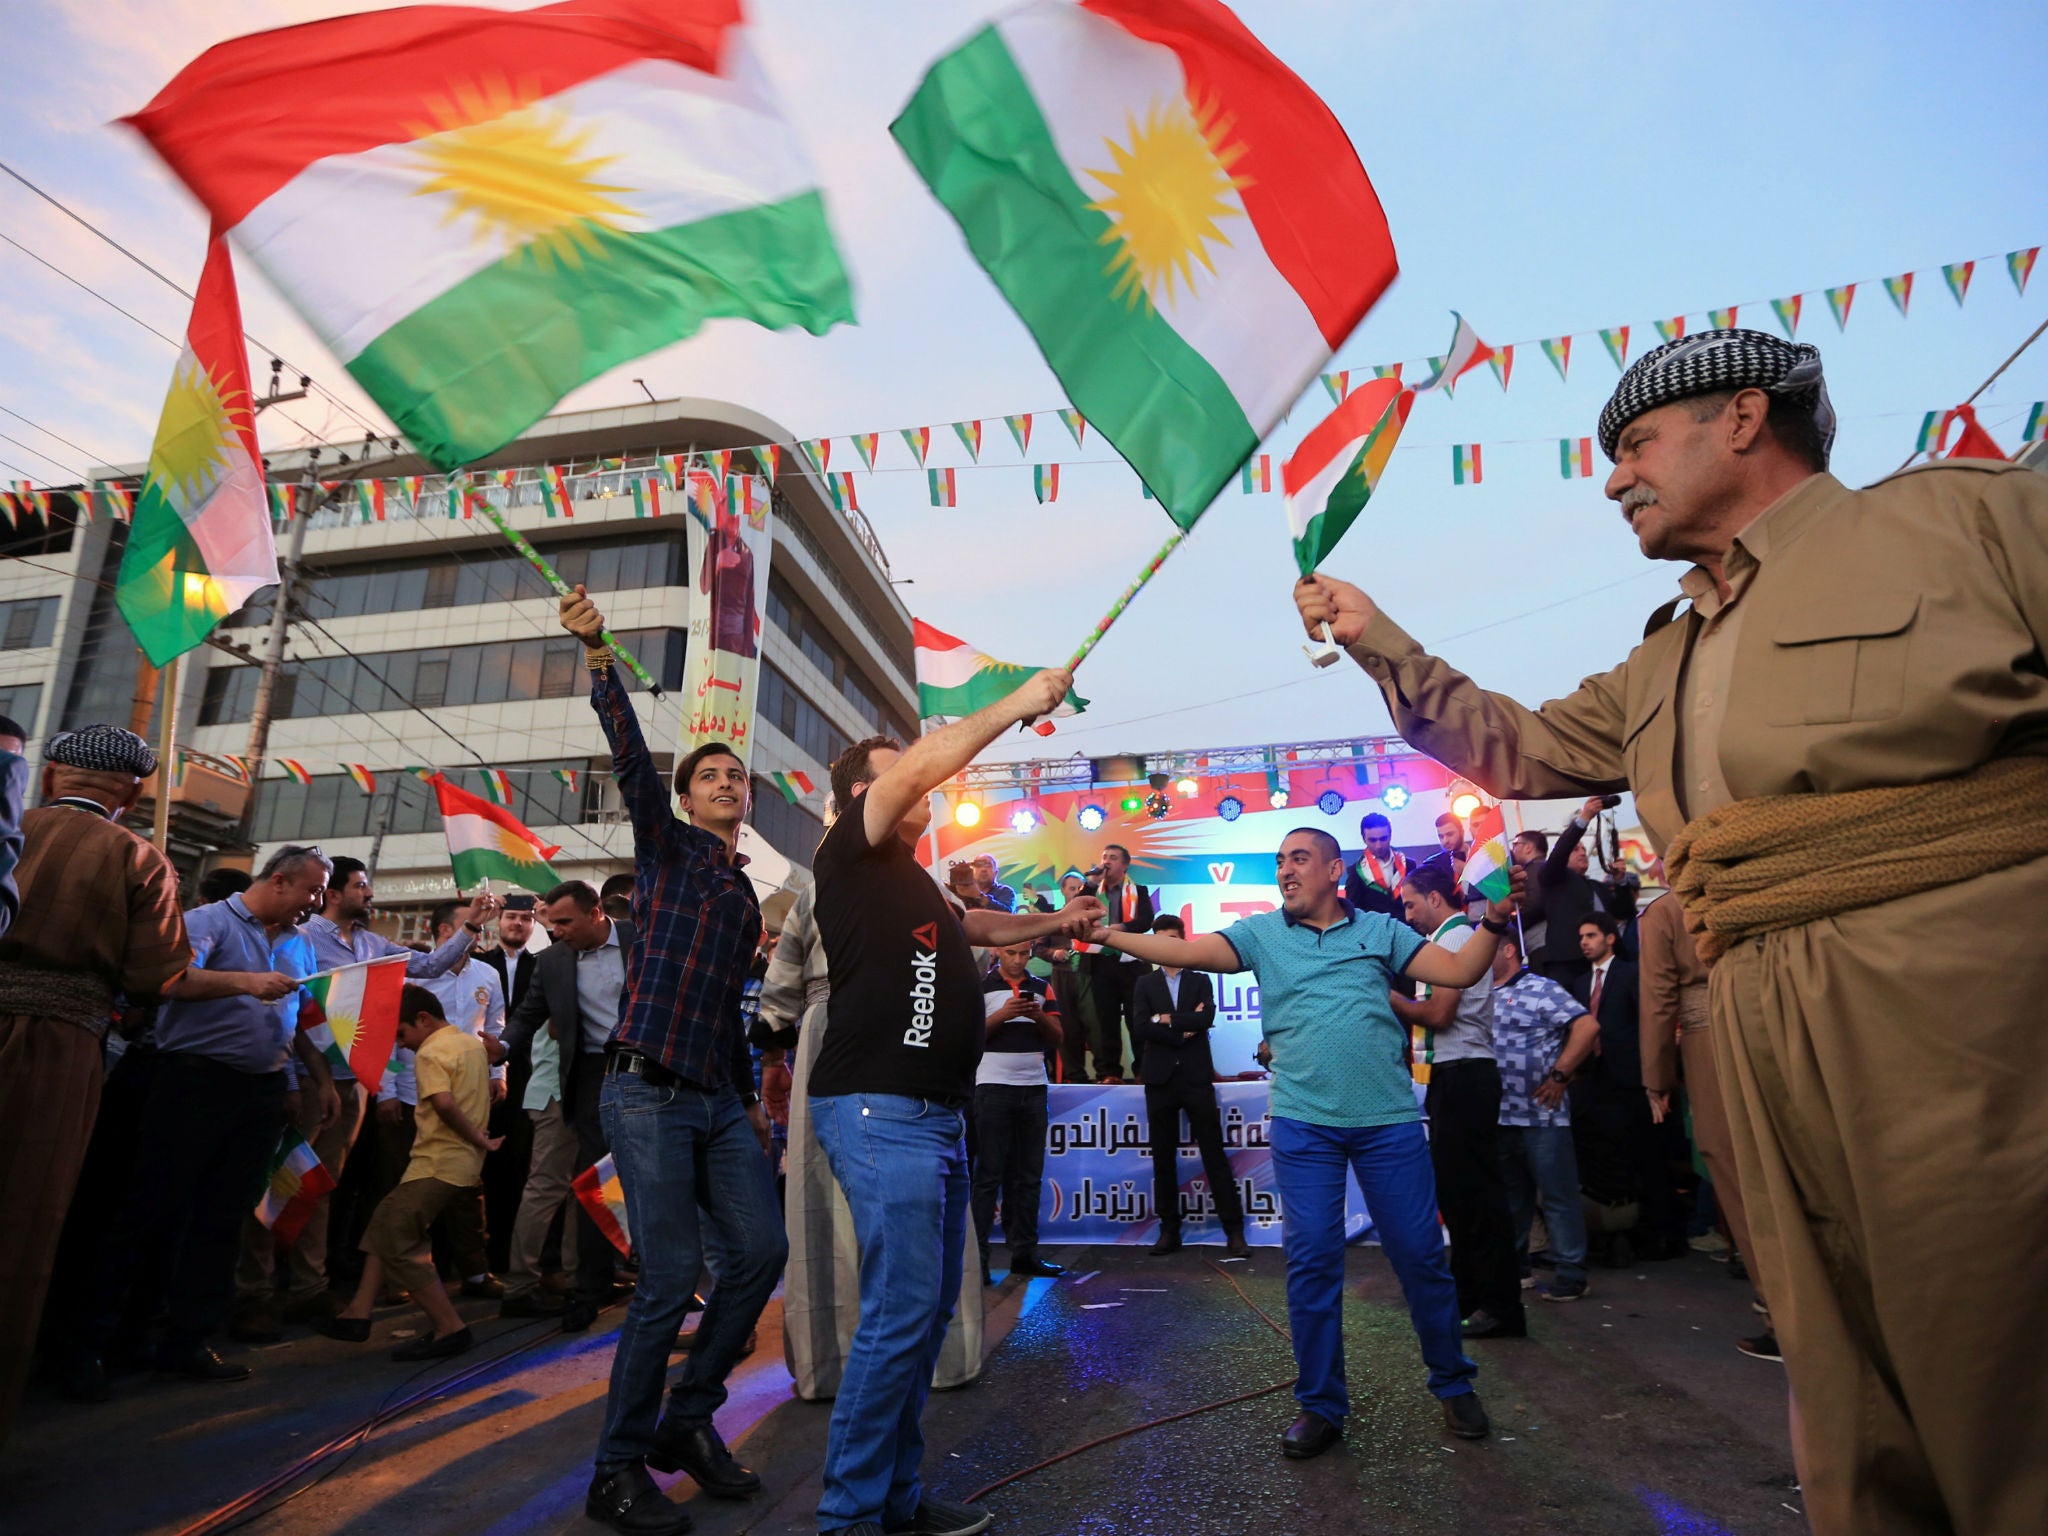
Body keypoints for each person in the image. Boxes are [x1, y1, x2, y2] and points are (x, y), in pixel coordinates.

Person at [1297, 326, 2048, 1534]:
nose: (1612, 477)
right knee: (1846, 1397)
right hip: (1749, 1024)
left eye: (1636, 442)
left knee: (1999, 1366)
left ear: (1741, 419)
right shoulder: (1664, 657)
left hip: (1954, 1006)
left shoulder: (1961, 522)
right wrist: (1377, 636)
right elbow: (1517, 742)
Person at [1086, 827, 1517, 1456]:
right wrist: (1106, 936)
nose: (1286, 870)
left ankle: (1453, 1385)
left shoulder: (1380, 930)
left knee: (1422, 1259)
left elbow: (1458, 967)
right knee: (1313, 1264)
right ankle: (1320, 1405)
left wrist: (1497, 921)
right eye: (1281, 861)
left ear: (1333, 871)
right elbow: (1185, 952)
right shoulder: (1261, 934)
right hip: (1305, 1124)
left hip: (1388, 1123)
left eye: (1299, 858)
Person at [806, 668, 1098, 1536]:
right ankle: (849, 1518)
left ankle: (893, 1500)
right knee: (898, 1317)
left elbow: (977, 929)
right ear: (866, 791)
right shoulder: (849, 851)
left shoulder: (919, 883)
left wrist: (1055, 923)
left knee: (925, 1315)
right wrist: (1016, 706)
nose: (928, 783)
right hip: (877, 1106)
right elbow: (911, 771)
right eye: (904, 773)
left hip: (934, 1114)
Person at [560, 585, 786, 1535]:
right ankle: (614, 1471)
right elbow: (629, 760)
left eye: (738, 776)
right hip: (645, 1093)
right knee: (666, 1278)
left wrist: (751, 1100)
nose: (728, 782)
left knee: (762, 1252)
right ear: (689, 797)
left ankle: (686, 1422)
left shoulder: (744, 898)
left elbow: (732, 1007)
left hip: (718, 1096)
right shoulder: (665, 850)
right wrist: (602, 655)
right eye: (713, 776)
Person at [0, 723, 188, 1442]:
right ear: (134, 794)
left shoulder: (7, 828)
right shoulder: (136, 857)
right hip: (58, 1049)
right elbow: (156, 977)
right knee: (21, 1224)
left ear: (50, 775)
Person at [86, 844, 334, 1387]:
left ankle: (188, 1340)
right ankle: (106, 1342)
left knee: (223, 1219)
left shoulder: (299, 942)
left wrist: (307, 1079)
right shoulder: (205, 922)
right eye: (312, 891)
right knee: (154, 1211)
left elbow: (295, 1016)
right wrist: (246, 981)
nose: (316, 904)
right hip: (193, 1082)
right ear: (279, 881)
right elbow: (170, 981)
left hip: (262, 1091)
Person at [761, 875, 986, 1403]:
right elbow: (782, 981)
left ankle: (864, 1363)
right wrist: (773, 1056)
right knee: (871, 1199)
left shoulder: (917, 891)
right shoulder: (837, 885)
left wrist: (773, 1057)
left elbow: (779, 988)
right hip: (857, 1036)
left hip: (887, 1038)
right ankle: (880, 1363)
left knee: (898, 1203)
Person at [281, 857, 492, 1330]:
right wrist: (297, 1081)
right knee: (285, 1180)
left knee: (321, 1187)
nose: (370, 894)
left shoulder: (374, 944)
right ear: (333, 894)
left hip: (352, 1080)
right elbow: (294, 1008)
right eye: (361, 886)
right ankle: (259, 1289)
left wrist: (474, 922)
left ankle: (308, 1286)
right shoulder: (304, 940)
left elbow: (434, 963)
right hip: (308, 1080)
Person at [317, 985, 501, 1360]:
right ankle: (358, 1312)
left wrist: (479, 1140)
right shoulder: (470, 1044)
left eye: (401, 1034)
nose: (400, 1045)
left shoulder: (431, 1051)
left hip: (437, 1162)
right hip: (453, 1162)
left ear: (423, 1020)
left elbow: (445, 1105)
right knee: (385, 1224)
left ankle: (449, 1327)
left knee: (399, 1241)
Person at [1637, 884, 1772, 1358]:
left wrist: (1657, 1077)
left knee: (1735, 1169)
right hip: (1780, 1025)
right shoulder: (1748, 884)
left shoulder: (1666, 911)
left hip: (1712, 1040)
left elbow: (1657, 997)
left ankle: (1782, 1313)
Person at [1390, 862, 1524, 1340]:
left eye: (1409, 903)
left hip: (1465, 1072)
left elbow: (1439, 1014)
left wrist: (1387, 997)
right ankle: (1472, 1298)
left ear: (1434, 898)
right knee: (1461, 1198)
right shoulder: (1449, 940)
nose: (1407, 915)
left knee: (1477, 1197)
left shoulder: (1452, 941)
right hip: (1455, 1074)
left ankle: (1498, 1305)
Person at [500, 883, 627, 1323]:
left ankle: (661, 1282)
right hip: (586, 1077)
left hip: (646, 1071)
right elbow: (530, 1012)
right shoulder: (552, 961)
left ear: (595, 913)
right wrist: (502, 1046)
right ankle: (587, 1291)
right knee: (592, 1180)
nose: (555, 931)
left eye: (564, 922)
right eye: (551, 922)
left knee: (644, 1181)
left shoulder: (639, 941)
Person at [1488, 928, 1599, 1303]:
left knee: (1557, 1196)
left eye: (1488, 946)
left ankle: (1571, 1273)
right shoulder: (1480, 991)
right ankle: (1517, 1268)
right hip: (1501, 1117)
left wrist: (1560, 1074)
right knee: (1511, 1198)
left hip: (1543, 1117)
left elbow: (1586, 1026)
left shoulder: (1541, 988)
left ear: (1507, 949)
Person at [1130, 914, 1246, 1258]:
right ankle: (1169, 1231)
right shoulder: (1144, 984)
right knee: (1162, 1158)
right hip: (1159, 1078)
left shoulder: (1200, 980)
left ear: (1184, 941)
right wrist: (1180, 1025)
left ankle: (1234, 1231)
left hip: (1195, 1076)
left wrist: (1164, 1020)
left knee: (1214, 1154)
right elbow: (1140, 1027)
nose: (1169, 945)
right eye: (1161, 939)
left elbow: (1205, 1018)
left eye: (1174, 939)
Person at [411, 899, 509, 1298]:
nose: (481, 931)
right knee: (413, 1186)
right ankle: (410, 1275)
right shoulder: (413, 975)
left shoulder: (487, 973)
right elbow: (389, 1035)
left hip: (471, 1094)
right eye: (473, 923)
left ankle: (474, 1272)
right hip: (416, 1092)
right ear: (446, 932)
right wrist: (386, 1090)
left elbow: (497, 1027)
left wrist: (497, 1073)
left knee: (468, 1184)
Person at [1571, 912, 1683, 1260]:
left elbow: (1648, 1024)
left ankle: (1661, 1236)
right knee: (1610, 1159)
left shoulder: (1632, 974)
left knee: (1647, 1158)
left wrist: (1655, 1076)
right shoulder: (1578, 983)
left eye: (1591, 935)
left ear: (1610, 938)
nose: (1584, 942)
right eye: (1581, 937)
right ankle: (1621, 1232)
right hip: (1597, 1083)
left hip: (1632, 1081)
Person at [971, 940, 1064, 1284]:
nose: (1018, 959)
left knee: (1028, 1176)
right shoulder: (979, 987)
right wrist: (1002, 1015)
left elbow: (1057, 1038)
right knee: (988, 1177)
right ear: (997, 952)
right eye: (1012, 953)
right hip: (991, 1087)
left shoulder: (1041, 988)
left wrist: (1038, 1014)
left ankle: (1025, 1253)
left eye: (1024, 953)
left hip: (1034, 1088)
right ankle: (978, 1260)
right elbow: (970, 1036)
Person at [1086, 843, 1154, 1083]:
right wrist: (1092, 883)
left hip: (1132, 964)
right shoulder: (1093, 891)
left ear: (1125, 865)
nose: (1106, 861)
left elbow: (1146, 921)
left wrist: (1119, 929)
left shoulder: (1139, 891)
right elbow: (1076, 910)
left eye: (1113, 858)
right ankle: (1110, 1072)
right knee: (1106, 1021)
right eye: (1104, 856)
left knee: (1137, 1020)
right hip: (1102, 962)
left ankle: (1143, 1070)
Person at [1343, 810, 1409, 917]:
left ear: (1390, 836)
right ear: (1364, 839)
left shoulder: (1409, 865)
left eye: (1383, 839)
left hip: (1408, 929)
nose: (1378, 845)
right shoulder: (1355, 872)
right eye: (1372, 840)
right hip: (1376, 931)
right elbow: (1354, 912)